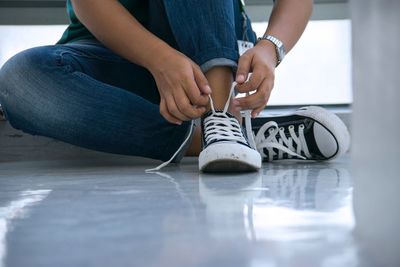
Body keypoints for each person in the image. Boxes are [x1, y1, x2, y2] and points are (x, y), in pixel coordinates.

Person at [0, 0, 349, 172]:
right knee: (21, 78)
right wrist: (160, 60)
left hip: (208, 48)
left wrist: (271, 48)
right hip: (115, 53)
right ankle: (218, 138)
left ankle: (220, 118)